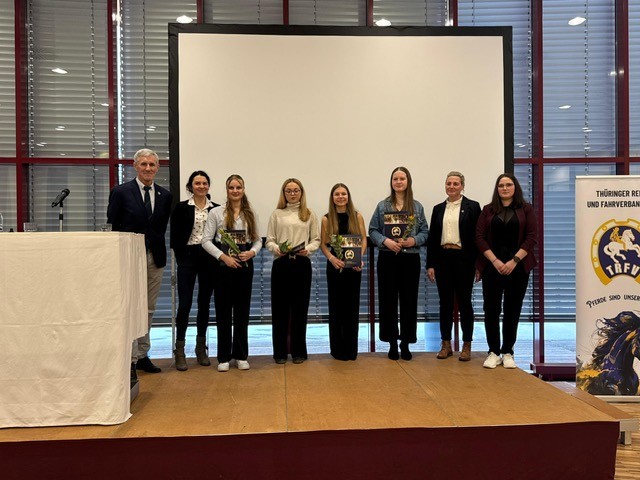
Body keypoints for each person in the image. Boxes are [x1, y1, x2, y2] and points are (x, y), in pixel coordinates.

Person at [107, 148, 172, 383]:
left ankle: (143, 354)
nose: (148, 168)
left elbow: (160, 228)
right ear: (135, 166)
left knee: (149, 308)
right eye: (143, 164)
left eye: (152, 165)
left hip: (155, 258)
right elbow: (113, 225)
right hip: (130, 257)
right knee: (132, 307)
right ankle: (131, 358)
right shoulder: (121, 192)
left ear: (157, 168)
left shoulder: (165, 195)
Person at [476, 173, 537, 369]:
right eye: (501, 185)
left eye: (508, 185)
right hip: (492, 267)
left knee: (513, 310)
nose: (505, 188)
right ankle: (493, 352)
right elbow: (479, 237)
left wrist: (514, 261)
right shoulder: (487, 210)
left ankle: (508, 352)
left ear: (515, 187)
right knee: (491, 310)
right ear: (497, 189)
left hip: (518, 268)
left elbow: (531, 237)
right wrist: (495, 261)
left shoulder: (526, 209)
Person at [202, 174, 262, 372]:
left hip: (245, 267)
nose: (235, 191)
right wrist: (223, 257)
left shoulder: (250, 213)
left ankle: (241, 356)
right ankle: (224, 357)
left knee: (242, 312)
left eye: (238, 187)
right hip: (223, 268)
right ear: (227, 190)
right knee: (223, 312)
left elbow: (257, 240)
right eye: (231, 188)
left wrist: (252, 252)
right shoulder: (216, 213)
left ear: (243, 190)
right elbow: (205, 241)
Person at [368, 167, 428, 361]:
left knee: (409, 301)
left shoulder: (417, 207)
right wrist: (385, 241)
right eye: (395, 179)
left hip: (410, 259)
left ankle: (406, 343)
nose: (399, 182)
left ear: (408, 181)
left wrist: (413, 240)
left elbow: (425, 232)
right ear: (391, 182)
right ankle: (392, 342)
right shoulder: (382, 206)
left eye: (402, 178)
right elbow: (373, 230)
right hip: (388, 258)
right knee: (388, 301)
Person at [426, 171, 481, 361]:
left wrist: (478, 264)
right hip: (443, 259)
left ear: (462, 186)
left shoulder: (473, 207)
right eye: (448, 183)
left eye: (456, 184)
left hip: (464, 260)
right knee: (445, 303)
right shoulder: (438, 209)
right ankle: (446, 344)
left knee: (465, 303)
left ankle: (466, 345)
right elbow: (433, 239)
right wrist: (430, 264)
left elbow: (478, 238)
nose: (451, 187)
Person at [265, 178, 320, 364]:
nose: (292, 193)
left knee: (300, 309)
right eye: (288, 191)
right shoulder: (276, 214)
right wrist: (276, 249)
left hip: (302, 264)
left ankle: (299, 352)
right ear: (284, 193)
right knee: (279, 309)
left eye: (296, 190)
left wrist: (308, 250)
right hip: (281, 263)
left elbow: (316, 240)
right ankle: (280, 353)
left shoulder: (309, 214)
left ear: (301, 192)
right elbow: (269, 240)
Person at [169, 170, 218, 371]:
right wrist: (183, 256)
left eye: (204, 183)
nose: (201, 186)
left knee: (204, 304)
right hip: (187, 258)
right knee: (185, 304)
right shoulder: (181, 207)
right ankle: (180, 350)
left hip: (209, 258)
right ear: (191, 186)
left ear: (208, 186)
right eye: (197, 183)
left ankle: (200, 348)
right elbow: (174, 237)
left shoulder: (216, 208)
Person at [320, 183, 367, 361]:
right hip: (335, 267)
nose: (340, 197)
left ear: (348, 197)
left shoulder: (357, 216)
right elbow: (323, 244)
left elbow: (363, 240)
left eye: (343, 194)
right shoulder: (326, 219)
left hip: (353, 268)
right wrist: (332, 259)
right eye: (337, 194)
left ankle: (350, 350)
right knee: (336, 308)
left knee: (352, 308)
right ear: (332, 198)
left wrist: (359, 257)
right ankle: (337, 350)